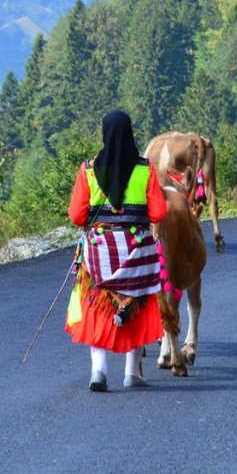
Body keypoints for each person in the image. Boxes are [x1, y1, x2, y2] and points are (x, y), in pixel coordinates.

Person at [66, 110, 168, 392]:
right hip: (136, 251)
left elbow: (76, 215)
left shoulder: (88, 169)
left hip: (100, 252)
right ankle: (131, 371)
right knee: (138, 302)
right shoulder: (144, 169)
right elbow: (159, 212)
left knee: (96, 304)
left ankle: (98, 371)